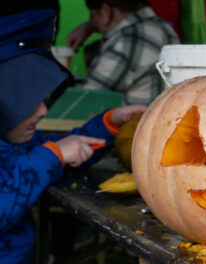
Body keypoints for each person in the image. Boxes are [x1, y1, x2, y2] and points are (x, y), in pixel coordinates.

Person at [0, 7, 147, 264]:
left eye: (43, 99)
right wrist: (53, 156)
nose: (44, 110)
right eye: (27, 101)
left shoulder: (15, 142)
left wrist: (108, 124)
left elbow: (58, 152)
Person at [67, 0, 180, 105]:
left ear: (105, 10)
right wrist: (89, 26)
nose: (94, 22)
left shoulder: (126, 41)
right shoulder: (163, 27)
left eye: (92, 16)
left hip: (138, 123)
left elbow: (86, 97)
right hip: (169, 118)